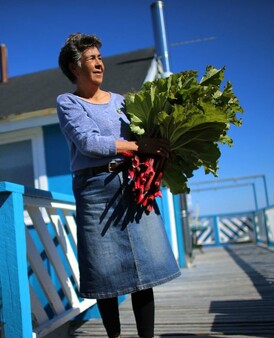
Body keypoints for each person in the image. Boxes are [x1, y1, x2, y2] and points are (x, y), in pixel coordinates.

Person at [56, 33, 181, 338]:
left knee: (144, 269)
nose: (99, 63)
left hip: (132, 185)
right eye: (91, 58)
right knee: (105, 271)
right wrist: (140, 146)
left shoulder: (123, 102)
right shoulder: (68, 102)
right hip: (95, 190)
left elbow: (144, 135)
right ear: (75, 67)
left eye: (99, 57)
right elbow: (89, 143)